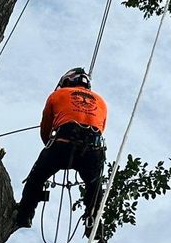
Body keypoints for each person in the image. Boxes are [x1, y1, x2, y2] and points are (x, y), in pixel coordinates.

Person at [15, 68, 107, 232]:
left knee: (36, 179)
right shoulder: (101, 101)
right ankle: (92, 220)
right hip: (93, 148)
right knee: (95, 187)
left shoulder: (57, 95)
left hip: (62, 144)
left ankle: (25, 215)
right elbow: (101, 127)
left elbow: (46, 129)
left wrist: (49, 150)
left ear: (66, 81)